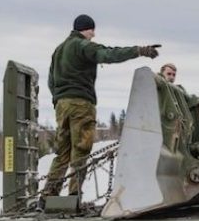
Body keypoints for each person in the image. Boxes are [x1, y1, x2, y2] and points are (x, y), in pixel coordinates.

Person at [42, 14, 160, 198]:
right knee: (81, 149)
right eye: (92, 30)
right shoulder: (83, 46)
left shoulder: (58, 50)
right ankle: (74, 196)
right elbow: (109, 54)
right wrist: (139, 51)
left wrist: (60, 99)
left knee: (62, 152)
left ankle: (48, 196)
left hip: (61, 105)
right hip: (81, 104)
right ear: (85, 29)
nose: (94, 34)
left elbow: (51, 81)